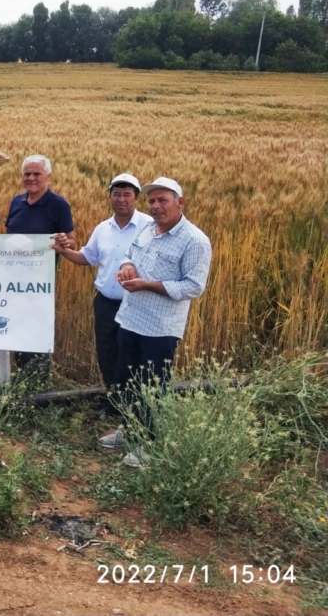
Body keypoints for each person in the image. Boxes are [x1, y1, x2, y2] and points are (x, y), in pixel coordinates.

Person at [105, 177, 212, 468]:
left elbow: (193, 287)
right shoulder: (147, 230)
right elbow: (130, 255)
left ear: (180, 202)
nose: (155, 206)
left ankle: (149, 445)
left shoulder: (195, 240)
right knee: (125, 380)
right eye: (152, 201)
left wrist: (148, 285)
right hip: (130, 318)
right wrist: (127, 267)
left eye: (162, 200)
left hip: (160, 327)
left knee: (153, 386)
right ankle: (128, 431)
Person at [53, 174, 152, 391]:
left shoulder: (150, 227)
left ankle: (133, 402)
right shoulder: (102, 228)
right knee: (107, 353)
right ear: (109, 197)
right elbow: (87, 258)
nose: (121, 199)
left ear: (136, 198)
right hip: (105, 304)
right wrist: (64, 251)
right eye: (116, 194)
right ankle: (114, 397)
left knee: (132, 355)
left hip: (137, 303)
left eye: (127, 195)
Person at [4, 154, 76, 386]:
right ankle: (21, 379)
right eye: (27, 174)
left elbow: (71, 240)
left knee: (35, 330)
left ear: (48, 176)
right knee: (16, 327)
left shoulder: (58, 204)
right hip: (13, 281)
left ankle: (38, 383)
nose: (31, 178)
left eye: (37, 174)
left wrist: (63, 243)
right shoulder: (16, 202)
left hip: (39, 283)